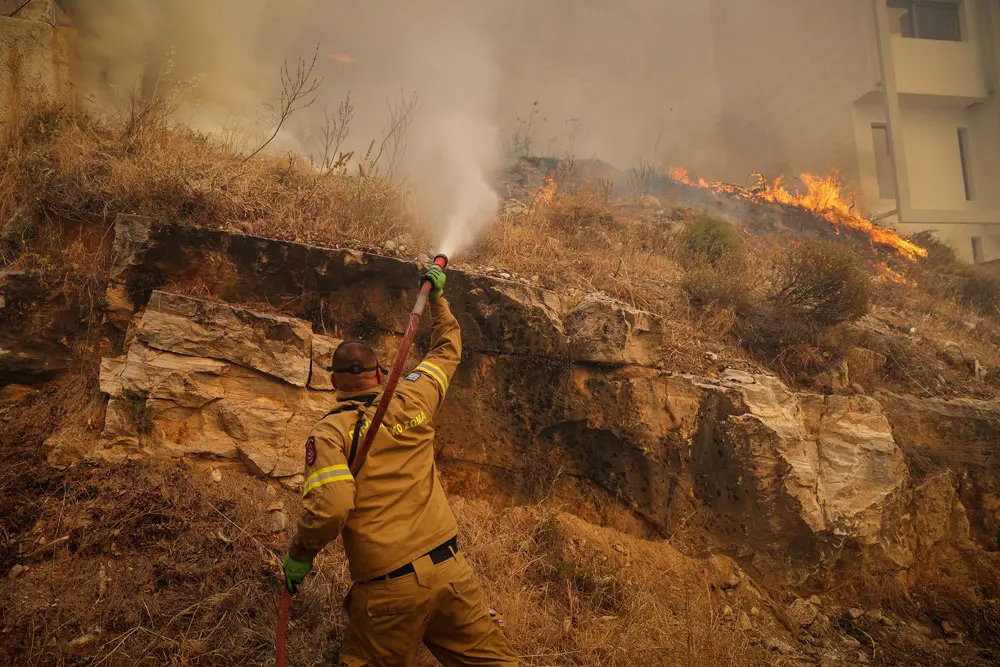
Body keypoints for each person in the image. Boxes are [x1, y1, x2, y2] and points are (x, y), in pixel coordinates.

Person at [282, 266, 519, 667]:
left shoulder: (330, 434)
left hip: (389, 593)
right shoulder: (414, 396)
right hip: (451, 574)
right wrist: (439, 300)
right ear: (379, 372)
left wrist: (300, 556)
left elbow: (333, 507)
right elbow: (447, 349)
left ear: (334, 383)